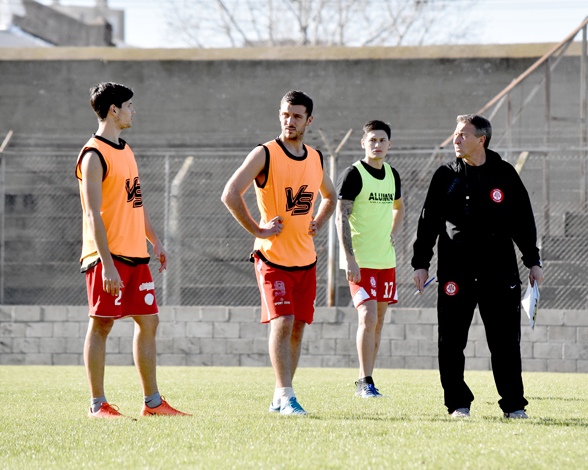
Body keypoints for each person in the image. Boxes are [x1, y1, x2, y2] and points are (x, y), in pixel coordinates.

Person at [412, 114, 543, 420]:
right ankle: (458, 404)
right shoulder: (445, 175)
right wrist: (421, 263)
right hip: (455, 274)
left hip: (499, 274)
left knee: (506, 343)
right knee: (451, 341)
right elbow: (427, 221)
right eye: (455, 134)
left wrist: (532, 260)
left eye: (462, 135)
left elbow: (523, 220)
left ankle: (513, 405)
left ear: (480, 139)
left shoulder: (505, 174)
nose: (455, 140)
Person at [76, 82, 190, 418]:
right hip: (105, 258)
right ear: (113, 110)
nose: (132, 111)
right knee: (102, 325)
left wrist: (154, 241)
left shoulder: (126, 150)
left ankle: (152, 403)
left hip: (136, 256)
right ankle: (98, 405)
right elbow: (91, 214)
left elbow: (135, 203)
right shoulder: (93, 155)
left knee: (149, 321)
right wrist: (107, 265)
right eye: (128, 105)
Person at [221, 90, 337, 415]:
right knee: (283, 321)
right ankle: (287, 396)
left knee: (297, 326)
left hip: (306, 260)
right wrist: (258, 230)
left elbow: (330, 195)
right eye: (285, 114)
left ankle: (279, 395)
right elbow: (230, 193)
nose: (289, 121)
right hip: (271, 258)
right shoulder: (265, 154)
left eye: (297, 116)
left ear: (308, 121)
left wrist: (319, 219)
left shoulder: (315, 157)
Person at [335, 120, 404, 398]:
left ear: (389, 144)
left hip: (386, 262)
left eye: (382, 140)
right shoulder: (353, 174)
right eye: (372, 140)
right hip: (360, 262)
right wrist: (349, 258)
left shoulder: (392, 174)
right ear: (363, 143)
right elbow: (341, 216)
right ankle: (364, 382)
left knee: (379, 321)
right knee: (368, 316)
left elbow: (399, 207)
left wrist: (392, 233)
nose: (377, 145)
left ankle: (369, 380)